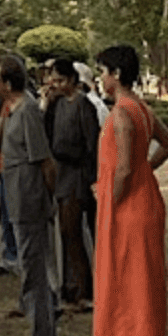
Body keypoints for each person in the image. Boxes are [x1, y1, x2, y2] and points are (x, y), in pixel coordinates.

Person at [91, 46, 168, 336]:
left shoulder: (122, 114)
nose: (101, 78)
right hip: (146, 203)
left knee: (140, 289)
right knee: (151, 284)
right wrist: (146, 172)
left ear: (115, 73)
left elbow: (125, 166)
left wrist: (109, 195)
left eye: (103, 71)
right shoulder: (142, 108)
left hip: (129, 210)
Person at [0, 56, 59, 336]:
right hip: (15, 198)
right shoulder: (14, 110)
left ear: (8, 82)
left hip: (29, 199)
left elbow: (44, 161)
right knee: (29, 267)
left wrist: (48, 197)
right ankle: (40, 335)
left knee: (34, 270)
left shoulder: (29, 110)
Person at [47, 58, 100, 312]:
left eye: (59, 80)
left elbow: (92, 145)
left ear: (71, 81)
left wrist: (91, 179)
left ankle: (83, 288)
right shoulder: (57, 105)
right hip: (62, 172)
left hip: (78, 174)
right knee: (66, 234)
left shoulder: (83, 106)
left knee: (74, 231)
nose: (54, 85)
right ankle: (71, 285)